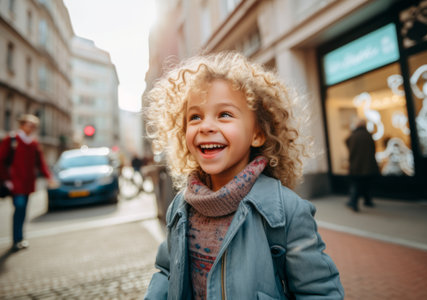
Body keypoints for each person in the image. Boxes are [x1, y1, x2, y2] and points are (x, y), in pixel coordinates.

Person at [143, 52, 344, 299]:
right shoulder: (180, 207)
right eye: (195, 117)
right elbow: (166, 270)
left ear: (257, 134)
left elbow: (318, 291)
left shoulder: (285, 211)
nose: (205, 126)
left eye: (224, 114)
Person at [0, 114, 55, 251]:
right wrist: (6, 180)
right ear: (22, 125)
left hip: (28, 183)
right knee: (19, 208)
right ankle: (16, 239)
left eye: (34, 126)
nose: (32, 128)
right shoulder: (11, 139)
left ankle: (20, 238)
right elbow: (1, 160)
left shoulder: (34, 143)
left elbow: (40, 162)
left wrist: (49, 177)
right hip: (15, 182)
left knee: (23, 210)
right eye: (29, 125)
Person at [345, 118, 380, 212]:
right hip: (368, 164)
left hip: (356, 164)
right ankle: (366, 201)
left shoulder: (353, 135)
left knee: (357, 184)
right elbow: (374, 148)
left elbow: (347, 143)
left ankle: (353, 202)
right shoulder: (368, 135)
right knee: (366, 184)